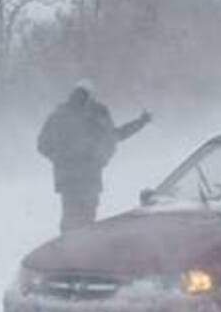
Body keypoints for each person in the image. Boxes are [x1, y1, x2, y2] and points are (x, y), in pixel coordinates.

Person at [37, 81, 151, 233]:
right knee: (87, 219)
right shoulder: (97, 114)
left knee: (70, 217)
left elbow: (42, 145)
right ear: (91, 96)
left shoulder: (58, 115)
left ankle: (66, 251)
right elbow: (116, 136)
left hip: (67, 180)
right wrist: (141, 122)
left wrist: (61, 159)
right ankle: (82, 250)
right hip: (89, 177)